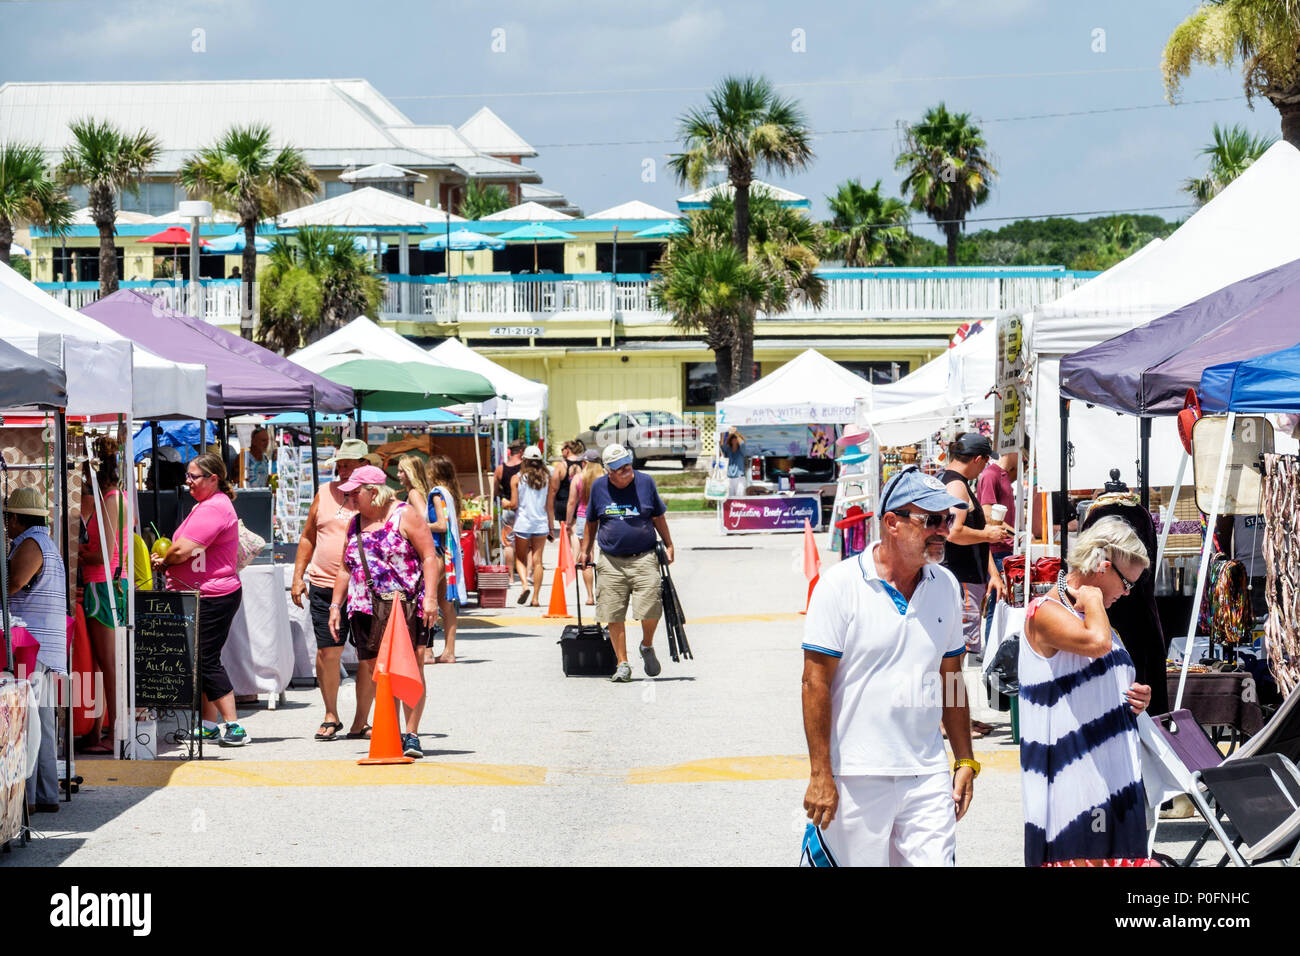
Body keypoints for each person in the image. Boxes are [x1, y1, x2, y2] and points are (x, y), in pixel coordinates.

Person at [800, 466, 977, 867]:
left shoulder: (946, 585)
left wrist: (965, 758)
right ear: (893, 523)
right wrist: (820, 773)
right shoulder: (840, 585)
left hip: (927, 774)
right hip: (855, 775)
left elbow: (951, 677)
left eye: (947, 519)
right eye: (932, 520)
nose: (943, 530)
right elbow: (814, 682)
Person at [1020, 516, 1152, 866]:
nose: (1127, 593)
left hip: (1110, 776)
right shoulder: (1044, 612)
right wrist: (1092, 599)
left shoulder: (1096, 619)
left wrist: (1137, 696)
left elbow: (1106, 673)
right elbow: (1097, 644)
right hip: (1073, 778)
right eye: (1126, 583)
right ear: (1102, 566)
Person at [328, 465, 438, 759]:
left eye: (355, 493)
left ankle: (412, 734)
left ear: (373, 492)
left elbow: (430, 557)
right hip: (366, 608)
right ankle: (391, 731)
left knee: (411, 666)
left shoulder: (405, 515)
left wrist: (431, 598)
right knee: (379, 670)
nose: (350, 498)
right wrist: (335, 605)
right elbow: (345, 568)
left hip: (406, 605)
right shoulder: (355, 523)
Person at [153, 453, 249, 747]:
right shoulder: (205, 505)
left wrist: (166, 561)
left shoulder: (214, 507)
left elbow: (182, 550)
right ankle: (208, 723)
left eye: (193, 476)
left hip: (213, 595)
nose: (188, 481)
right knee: (202, 659)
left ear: (213, 479)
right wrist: (168, 561)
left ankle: (234, 726)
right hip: (204, 591)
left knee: (206, 659)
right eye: (188, 475)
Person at [291, 438, 369, 742]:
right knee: (327, 651)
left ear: (365, 464)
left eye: (349, 465)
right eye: (340, 465)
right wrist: (298, 576)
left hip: (364, 588)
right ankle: (331, 714)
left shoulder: (375, 497)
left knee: (368, 656)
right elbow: (308, 537)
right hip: (323, 583)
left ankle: (361, 721)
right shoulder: (324, 493)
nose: (343, 470)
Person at [578, 443, 675, 683]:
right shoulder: (599, 487)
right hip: (611, 560)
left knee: (651, 606)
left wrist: (669, 544)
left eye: (627, 464)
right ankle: (622, 664)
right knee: (612, 611)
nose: (626, 469)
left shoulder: (646, 482)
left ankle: (646, 645)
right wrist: (585, 550)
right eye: (619, 467)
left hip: (644, 556)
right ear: (608, 471)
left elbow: (658, 516)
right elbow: (591, 521)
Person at [6, 488, 68, 810]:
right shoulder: (46, 542)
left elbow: (15, 582)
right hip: (44, 646)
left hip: (31, 645)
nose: (6, 524)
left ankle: (28, 798)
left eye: (7, 518)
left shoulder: (31, 543)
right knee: (40, 721)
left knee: (28, 721)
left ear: (17, 518)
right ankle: (46, 795)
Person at [941, 432, 1011, 660]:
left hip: (966, 578)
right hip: (962, 578)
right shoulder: (956, 485)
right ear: (977, 459)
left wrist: (993, 574)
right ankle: (953, 685)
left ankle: (952, 684)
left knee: (960, 649)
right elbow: (953, 531)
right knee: (960, 652)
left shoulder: (952, 481)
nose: (984, 468)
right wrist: (987, 533)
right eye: (985, 462)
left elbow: (972, 535)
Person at [78, 435, 125, 754]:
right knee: (100, 664)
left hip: (103, 585)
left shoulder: (110, 500)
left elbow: (105, 554)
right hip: (105, 584)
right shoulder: (112, 498)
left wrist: (78, 554)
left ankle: (114, 732)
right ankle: (98, 731)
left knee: (108, 664)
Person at [503, 446, 555, 607]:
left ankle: (525, 585)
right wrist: (551, 528)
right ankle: (536, 598)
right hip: (541, 524)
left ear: (524, 460)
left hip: (523, 524)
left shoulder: (517, 478)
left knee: (520, 559)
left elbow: (514, 504)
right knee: (538, 562)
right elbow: (549, 506)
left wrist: (505, 504)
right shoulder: (547, 479)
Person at [427, 455, 466, 664]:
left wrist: (421, 525)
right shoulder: (451, 494)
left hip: (436, 552)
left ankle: (427, 651)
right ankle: (449, 651)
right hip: (448, 553)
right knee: (446, 605)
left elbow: (441, 525)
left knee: (428, 599)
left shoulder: (436, 494)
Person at [977, 449, 1018, 645]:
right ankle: (991, 653)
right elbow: (988, 515)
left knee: (1001, 604)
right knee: (997, 604)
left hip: (1004, 549)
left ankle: (994, 651)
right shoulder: (990, 475)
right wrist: (1017, 534)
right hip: (998, 550)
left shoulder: (1002, 475)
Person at [1215, 513, 1268, 621]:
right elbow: (1223, 535)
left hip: (1279, 575)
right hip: (1247, 576)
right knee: (1251, 625)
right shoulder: (1234, 503)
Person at [565, 450, 602, 606]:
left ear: (586, 463)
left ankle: (590, 596)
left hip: (583, 518)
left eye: (582, 462)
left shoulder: (578, 478)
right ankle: (604, 594)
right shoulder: (605, 478)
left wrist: (568, 523)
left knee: (586, 557)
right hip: (603, 518)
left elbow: (571, 502)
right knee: (606, 555)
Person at [494, 439, 526, 583]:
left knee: (508, 544)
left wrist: (503, 497)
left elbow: (495, 491)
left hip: (508, 508)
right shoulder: (525, 468)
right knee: (525, 542)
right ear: (521, 452)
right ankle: (526, 573)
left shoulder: (500, 469)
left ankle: (511, 577)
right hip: (523, 509)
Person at [722, 427, 748, 498]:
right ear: (730, 440)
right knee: (729, 498)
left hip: (740, 478)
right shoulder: (728, 450)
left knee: (739, 499)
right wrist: (722, 433)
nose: (734, 439)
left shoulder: (742, 450)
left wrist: (735, 433)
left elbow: (742, 444)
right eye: (732, 438)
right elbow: (721, 445)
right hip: (729, 479)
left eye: (735, 438)